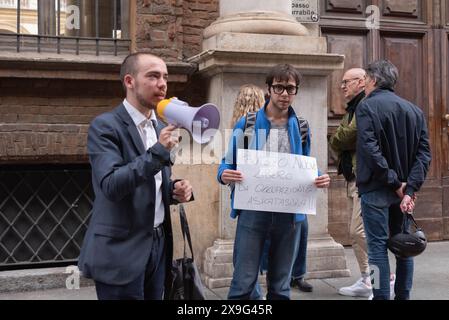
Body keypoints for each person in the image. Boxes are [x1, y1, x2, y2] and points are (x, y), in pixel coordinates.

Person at [78, 52, 193, 300]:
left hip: (159, 244)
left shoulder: (161, 127)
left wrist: (175, 189)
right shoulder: (106, 126)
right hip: (121, 250)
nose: (162, 83)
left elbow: (151, 182)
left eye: (164, 76)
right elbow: (110, 185)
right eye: (152, 76)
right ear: (130, 81)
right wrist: (159, 152)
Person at [218, 64, 331, 300]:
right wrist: (224, 173)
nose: (285, 94)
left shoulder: (301, 127)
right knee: (243, 283)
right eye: (279, 87)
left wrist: (320, 175)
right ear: (268, 89)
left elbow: (305, 164)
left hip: (288, 215)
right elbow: (227, 162)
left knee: (281, 287)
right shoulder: (247, 124)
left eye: (290, 88)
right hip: (253, 211)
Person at [356, 60, 431, 300]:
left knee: (377, 248)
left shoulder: (366, 106)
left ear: (375, 80)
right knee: (404, 248)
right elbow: (424, 154)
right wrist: (409, 188)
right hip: (402, 191)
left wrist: (396, 183)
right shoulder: (414, 110)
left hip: (378, 188)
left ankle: (380, 297)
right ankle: (403, 297)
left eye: (365, 80)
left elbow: (369, 149)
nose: (364, 85)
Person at [329, 68, 372, 297]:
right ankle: (368, 278)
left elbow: (345, 136)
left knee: (360, 232)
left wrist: (340, 136)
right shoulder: (353, 108)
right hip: (352, 176)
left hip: (364, 179)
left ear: (361, 82)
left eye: (347, 82)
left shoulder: (365, 105)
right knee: (356, 232)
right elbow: (339, 140)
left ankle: (380, 277)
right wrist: (340, 136)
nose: (342, 86)